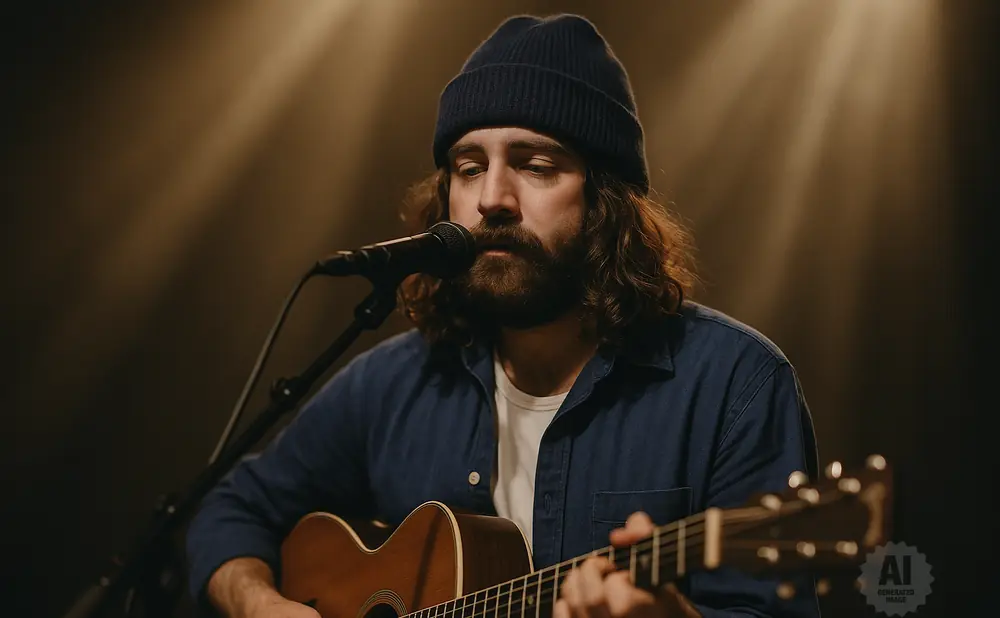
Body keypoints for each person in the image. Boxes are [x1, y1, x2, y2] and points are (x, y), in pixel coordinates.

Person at [185, 13, 821, 618]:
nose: (491, 198)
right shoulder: (390, 385)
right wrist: (261, 604)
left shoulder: (734, 385)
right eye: (469, 168)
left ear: (606, 202)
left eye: (535, 166)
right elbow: (227, 512)